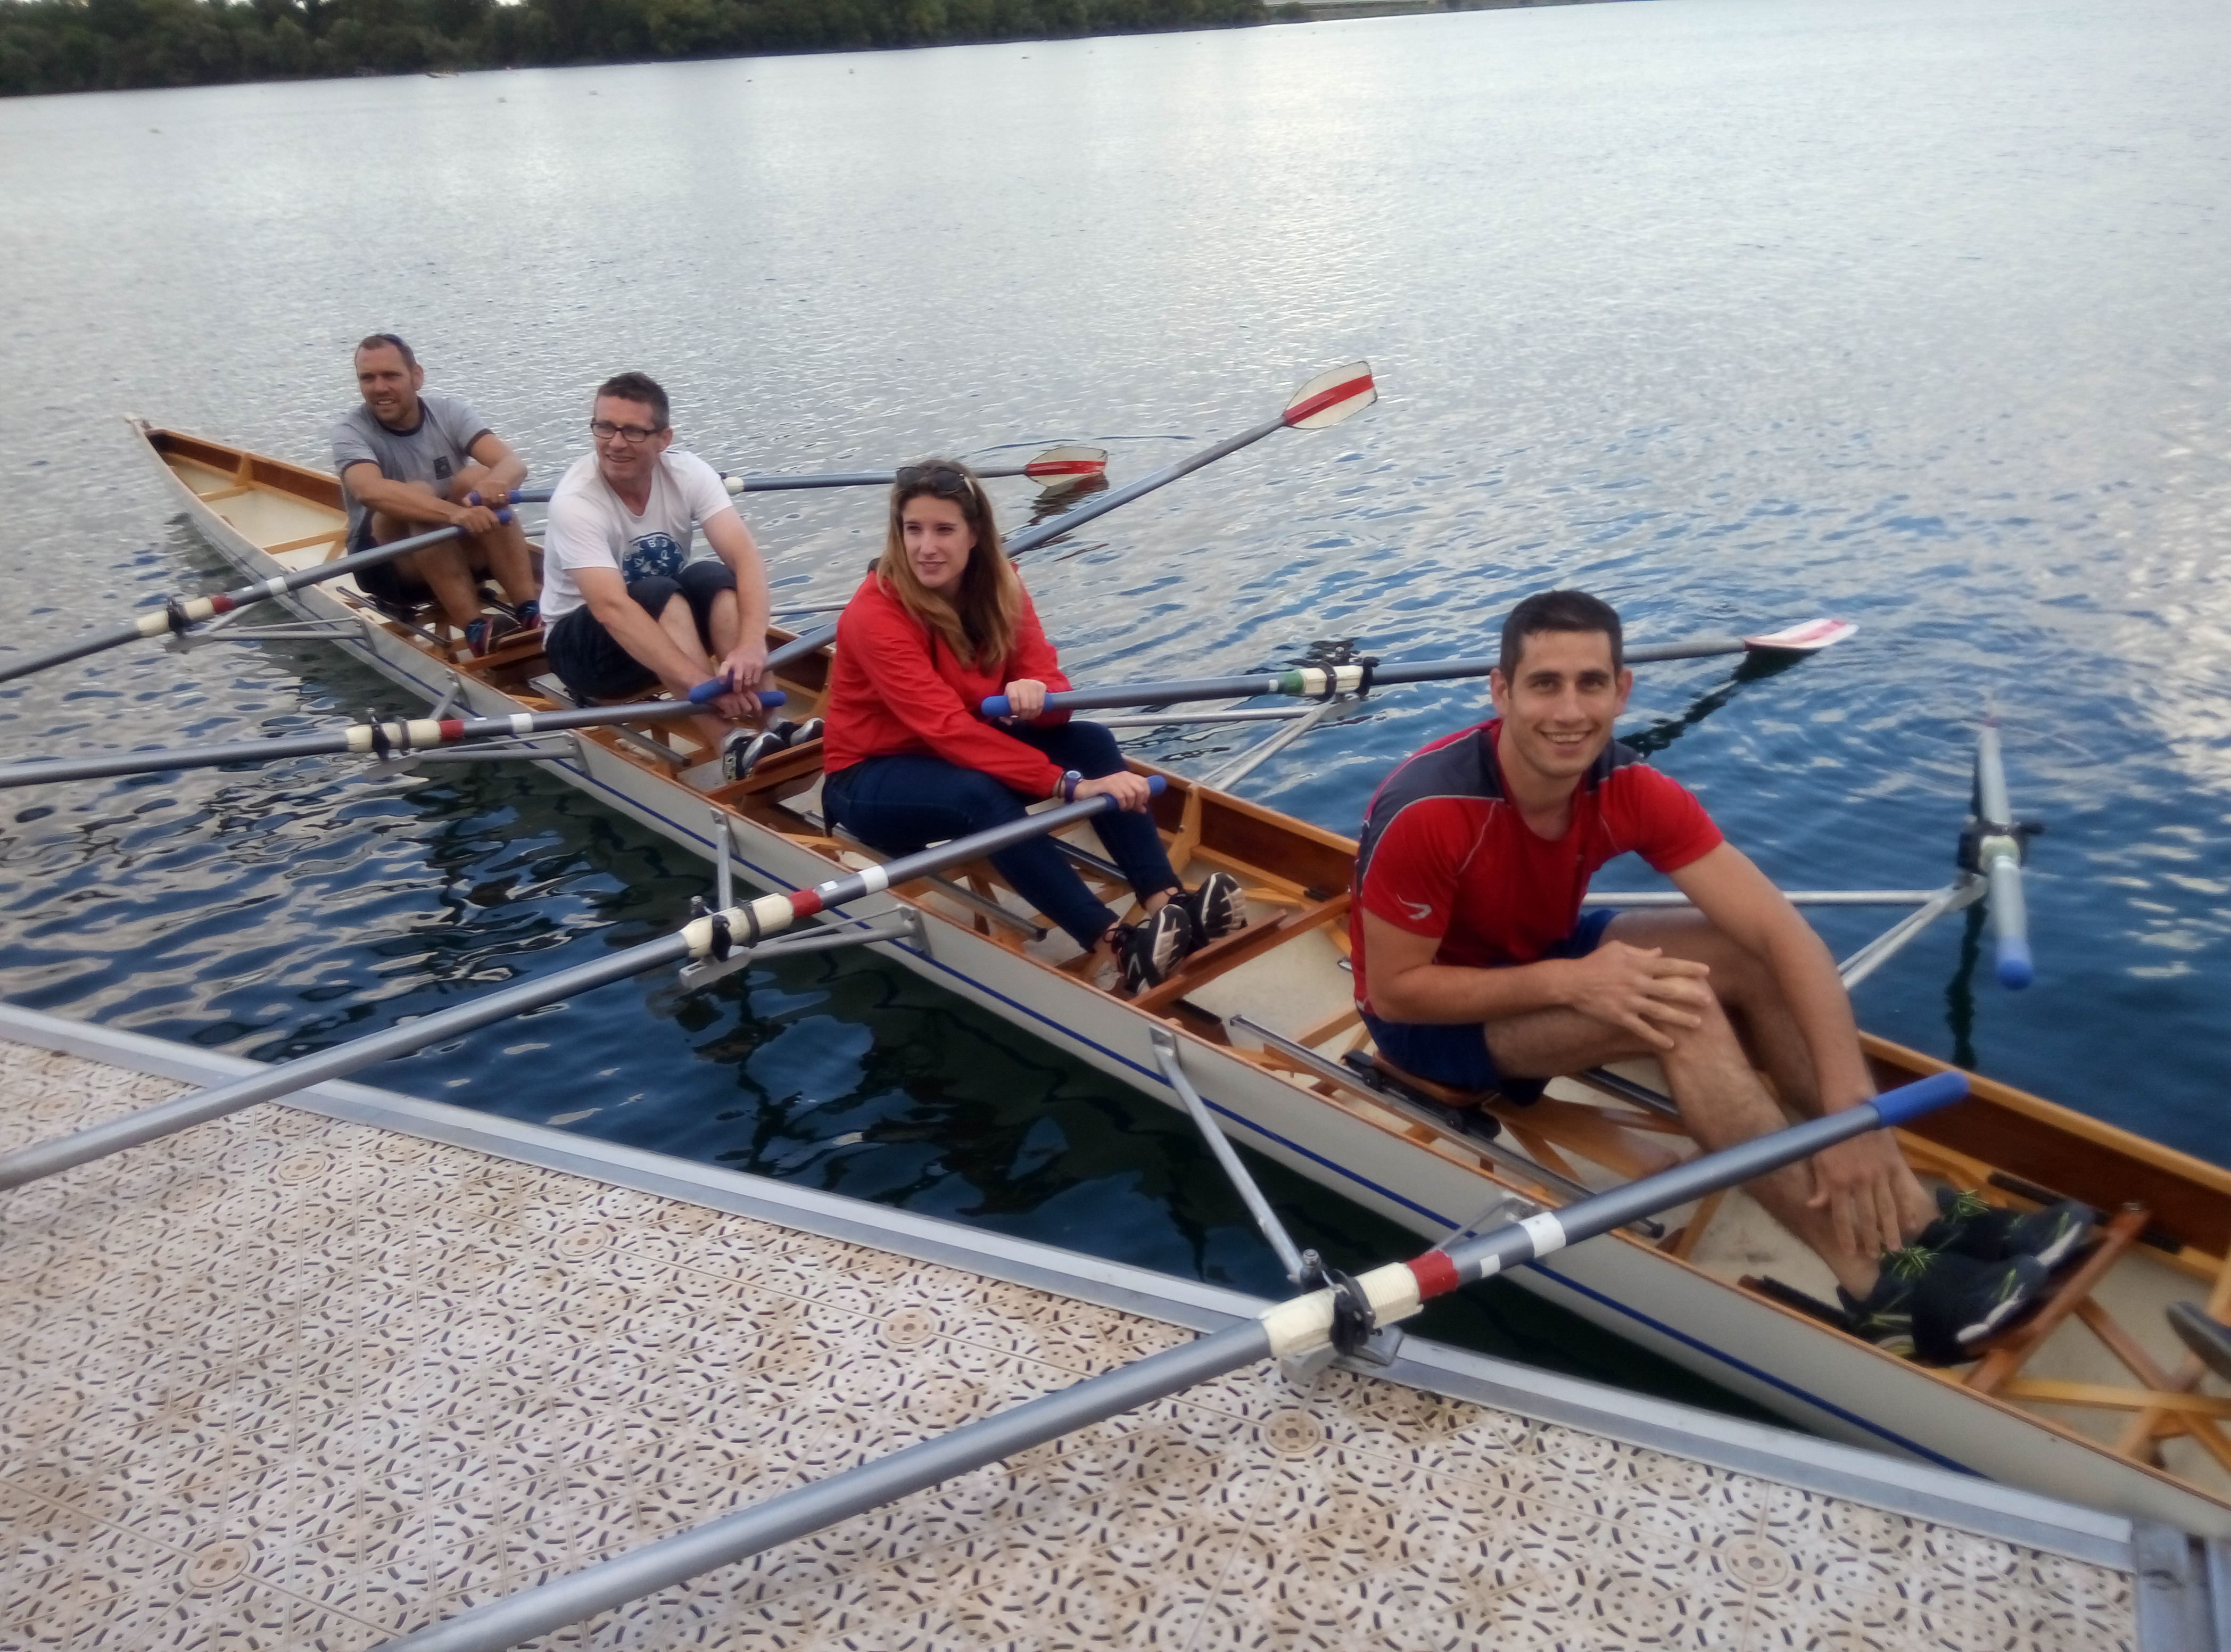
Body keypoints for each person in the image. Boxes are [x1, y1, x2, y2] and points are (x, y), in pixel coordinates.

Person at [1349, 589, 2090, 1364]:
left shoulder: (1626, 787)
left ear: (1622, 690)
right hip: (1429, 1027)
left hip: (1542, 953)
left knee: (1745, 952)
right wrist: (1574, 985)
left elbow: (1784, 934)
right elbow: (1398, 992)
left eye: (1591, 683)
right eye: (1544, 684)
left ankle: (1914, 1218)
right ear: (1501, 693)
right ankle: (1876, 1288)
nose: (1569, 710)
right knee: (1684, 1006)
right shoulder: (1431, 811)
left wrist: (1854, 1116)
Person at [818, 460, 1246, 991]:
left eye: (943, 529)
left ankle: (1167, 900)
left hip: (955, 749)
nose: (925, 546)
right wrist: (1068, 785)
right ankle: (1116, 943)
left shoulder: (1003, 583)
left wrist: (1041, 698)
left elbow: (1049, 682)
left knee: (1091, 741)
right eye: (913, 529)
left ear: (975, 534)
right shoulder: (873, 615)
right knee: (975, 794)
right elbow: (947, 730)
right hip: (866, 777)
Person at [538, 371, 775, 771]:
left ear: (663, 440)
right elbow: (612, 608)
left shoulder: (689, 473)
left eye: (632, 432)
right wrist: (700, 685)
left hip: (655, 621)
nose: (614, 443)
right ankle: (729, 743)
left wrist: (752, 644)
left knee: (710, 577)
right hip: (581, 653)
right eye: (604, 427)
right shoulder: (575, 502)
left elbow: (745, 557)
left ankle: (773, 724)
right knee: (657, 592)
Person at [331, 333, 541, 655]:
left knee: (478, 477)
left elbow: (512, 464)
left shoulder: (450, 412)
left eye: (391, 375)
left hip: (457, 542)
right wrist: (453, 514)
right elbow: (368, 490)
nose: (379, 387)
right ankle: (473, 626)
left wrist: (496, 484)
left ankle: (529, 610)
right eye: (368, 378)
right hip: (385, 565)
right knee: (418, 495)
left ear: (417, 377)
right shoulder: (351, 431)